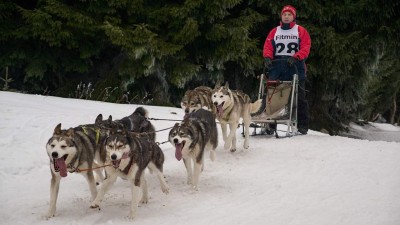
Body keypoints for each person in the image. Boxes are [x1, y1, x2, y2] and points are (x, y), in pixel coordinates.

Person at [263, 5, 311, 134]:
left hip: (295, 65)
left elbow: (306, 47)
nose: (287, 16)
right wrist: (267, 57)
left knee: (299, 96)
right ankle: (271, 125)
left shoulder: (300, 31)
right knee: (273, 96)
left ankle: (302, 125)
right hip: (277, 65)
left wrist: (297, 57)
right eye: (284, 14)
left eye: (289, 14)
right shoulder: (275, 31)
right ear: (281, 16)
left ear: (293, 17)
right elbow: (268, 46)